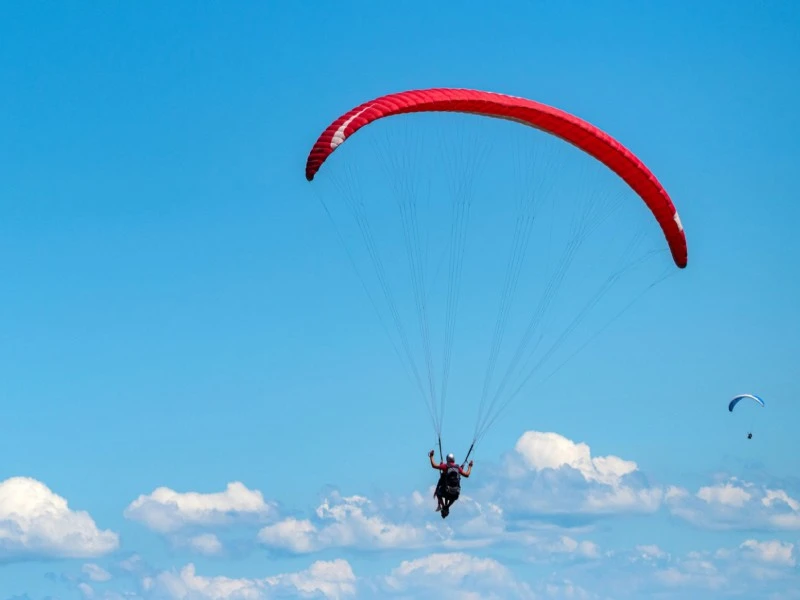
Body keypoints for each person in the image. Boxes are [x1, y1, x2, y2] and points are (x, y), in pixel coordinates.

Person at [428, 450, 473, 518]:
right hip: (455, 493)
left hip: (447, 490)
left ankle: (443, 506)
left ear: (447, 459)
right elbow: (467, 474)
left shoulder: (445, 466)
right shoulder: (458, 468)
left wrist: (431, 456)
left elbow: (434, 465)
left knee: (438, 493)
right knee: (454, 496)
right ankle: (447, 506)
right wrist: (470, 466)